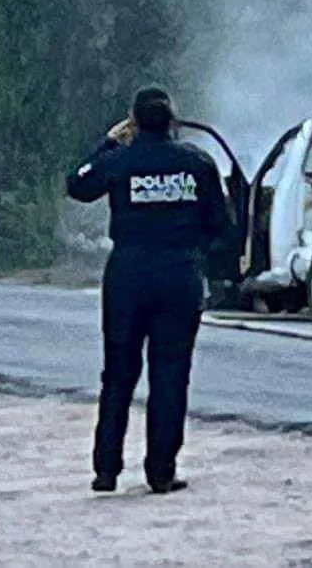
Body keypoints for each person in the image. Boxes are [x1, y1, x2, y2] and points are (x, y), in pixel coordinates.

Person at [66, 86, 238, 494]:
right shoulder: (197, 163)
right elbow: (223, 228)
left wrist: (108, 141)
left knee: (119, 374)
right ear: (174, 122)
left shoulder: (120, 161)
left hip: (128, 275)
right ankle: (161, 472)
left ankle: (106, 470)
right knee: (171, 375)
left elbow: (78, 184)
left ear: (134, 122)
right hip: (179, 277)